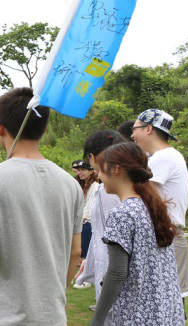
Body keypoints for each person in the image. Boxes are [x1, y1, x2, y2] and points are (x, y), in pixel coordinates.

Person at [0, 87, 83, 326]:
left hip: (1, 317)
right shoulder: (70, 183)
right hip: (52, 317)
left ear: (0, 127)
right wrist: (58, 298)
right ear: (43, 130)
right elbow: (75, 252)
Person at [90, 142, 184, 325]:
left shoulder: (123, 213)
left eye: (101, 170)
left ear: (116, 170)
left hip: (138, 314)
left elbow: (116, 273)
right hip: (167, 310)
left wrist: (98, 319)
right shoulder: (153, 207)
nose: (98, 175)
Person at [131, 109, 188, 303]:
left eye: (135, 129)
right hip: (169, 237)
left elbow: (146, 200)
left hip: (164, 240)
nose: (132, 135)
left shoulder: (162, 157)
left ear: (148, 128)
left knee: (165, 305)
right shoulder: (170, 155)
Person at [74, 130, 125, 319]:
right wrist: (90, 261)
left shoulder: (111, 191)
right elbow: (101, 234)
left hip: (114, 277)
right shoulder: (109, 188)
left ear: (93, 158)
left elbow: (116, 247)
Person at [74, 160, 99, 265]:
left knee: (85, 226)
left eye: (83, 170)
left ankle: (83, 258)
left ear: (91, 171)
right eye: (79, 170)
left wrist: (77, 219)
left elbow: (90, 208)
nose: (80, 173)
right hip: (81, 219)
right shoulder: (81, 185)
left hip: (89, 221)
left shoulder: (95, 186)